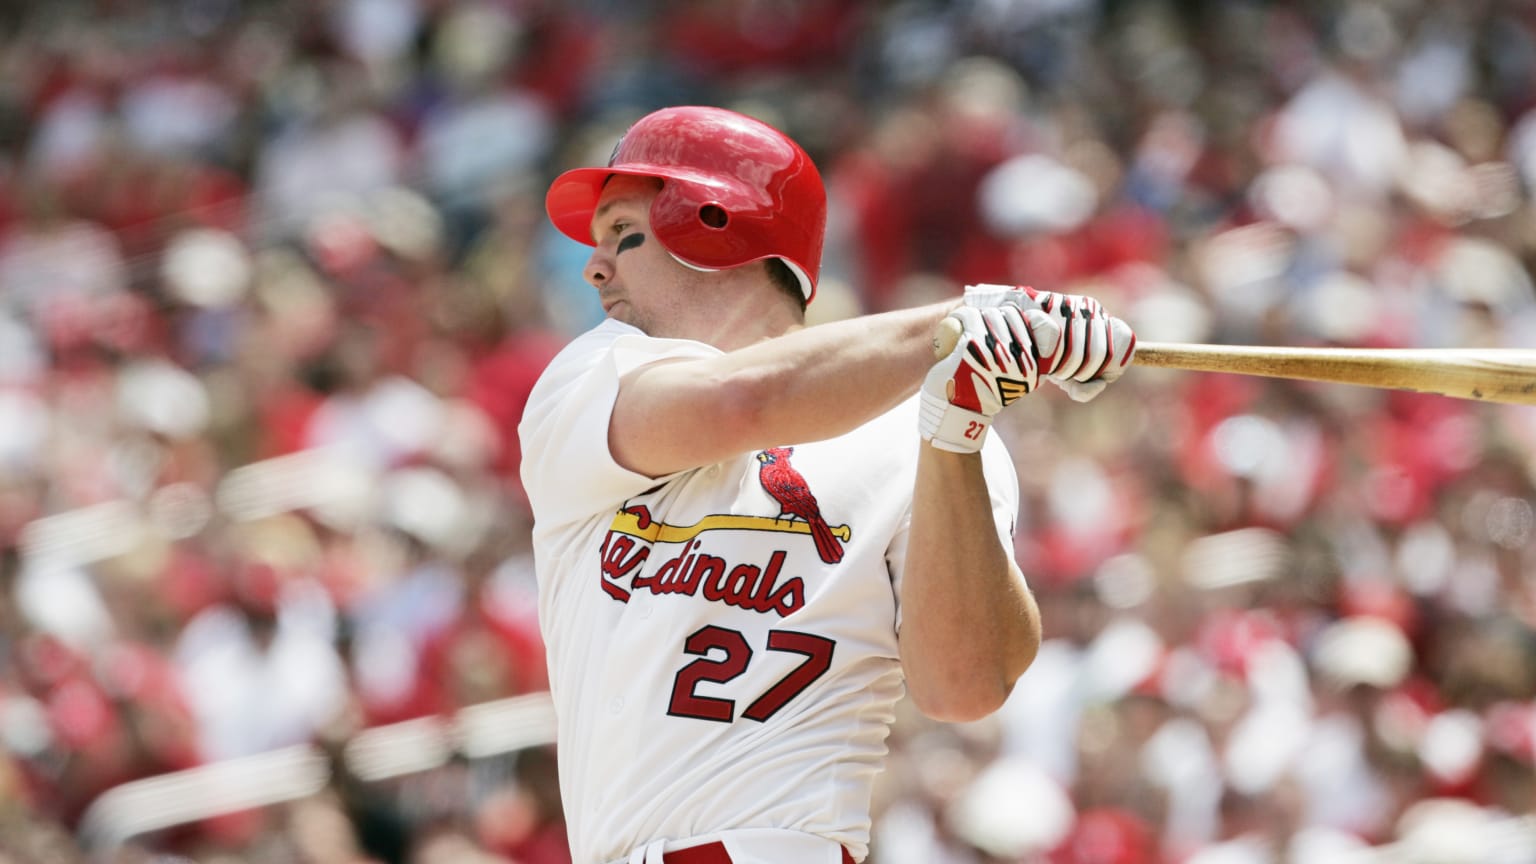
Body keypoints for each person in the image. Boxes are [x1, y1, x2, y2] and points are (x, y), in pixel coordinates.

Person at [518, 105, 1135, 864]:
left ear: (713, 222)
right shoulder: (588, 379)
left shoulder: (923, 421)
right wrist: (966, 322)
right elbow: (740, 402)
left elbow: (964, 686)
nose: (594, 265)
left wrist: (955, 436)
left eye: (623, 233)